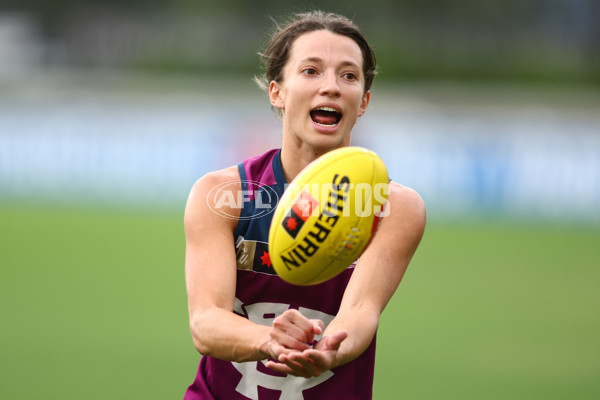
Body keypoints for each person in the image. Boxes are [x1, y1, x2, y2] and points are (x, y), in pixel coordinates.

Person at [183, 10, 426, 400]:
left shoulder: (394, 207)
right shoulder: (223, 195)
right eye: (311, 71)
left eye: (348, 75)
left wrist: (332, 350)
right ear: (277, 91)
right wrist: (270, 341)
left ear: (363, 101)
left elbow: (360, 313)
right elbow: (206, 322)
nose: (331, 87)